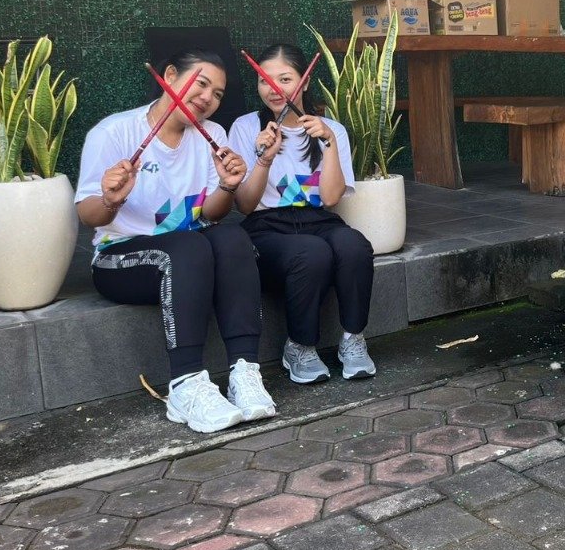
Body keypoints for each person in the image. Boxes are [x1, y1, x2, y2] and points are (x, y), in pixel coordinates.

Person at [76, 49, 276, 434]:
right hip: (121, 258)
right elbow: (88, 215)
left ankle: (244, 372)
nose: (207, 98)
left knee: (232, 236)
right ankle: (185, 384)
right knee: (189, 246)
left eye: (218, 93)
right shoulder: (114, 133)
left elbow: (213, 214)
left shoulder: (213, 136)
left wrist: (227, 186)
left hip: (188, 255)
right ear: (169, 75)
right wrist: (111, 200)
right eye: (201, 84)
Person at [228, 43, 376, 385]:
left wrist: (329, 143)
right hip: (265, 226)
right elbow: (245, 205)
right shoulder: (245, 127)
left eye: (285, 79)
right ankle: (300, 346)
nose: (274, 89)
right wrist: (263, 158)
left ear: (305, 82)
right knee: (311, 252)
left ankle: (353, 339)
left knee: (354, 245)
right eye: (265, 80)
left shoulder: (331, 129)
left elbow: (331, 198)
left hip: (317, 219)